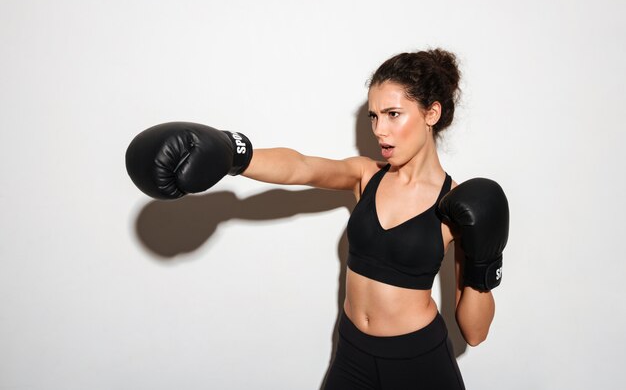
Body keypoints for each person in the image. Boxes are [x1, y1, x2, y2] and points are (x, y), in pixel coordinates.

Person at [125, 48, 509, 390]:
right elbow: (302, 168)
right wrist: (233, 154)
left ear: (432, 113)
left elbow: (474, 333)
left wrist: (484, 262)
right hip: (353, 353)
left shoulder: (458, 204)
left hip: (419, 363)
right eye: (374, 116)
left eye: (393, 114)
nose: (379, 129)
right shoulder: (367, 175)